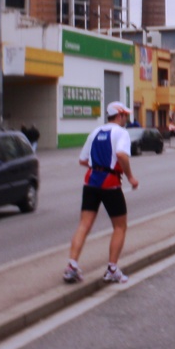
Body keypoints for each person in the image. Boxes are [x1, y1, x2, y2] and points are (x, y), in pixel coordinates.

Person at [63, 101, 139, 285]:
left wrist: (97, 163)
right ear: (119, 115)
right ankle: (112, 269)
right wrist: (130, 176)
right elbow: (121, 155)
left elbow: (83, 160)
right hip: (111, 183)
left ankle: (72, 266)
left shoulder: (95, 132)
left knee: (84, 224)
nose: (126, 119)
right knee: (120, 227)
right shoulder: (121, 133)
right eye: (125, 116)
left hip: (91, 181)